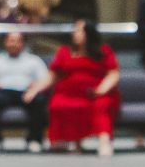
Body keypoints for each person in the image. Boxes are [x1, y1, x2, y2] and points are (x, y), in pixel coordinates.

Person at [47, 17, 121, 155]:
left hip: (95, 92)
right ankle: (71, 141)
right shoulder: (65, 51)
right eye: (75, 30)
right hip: (70, 93)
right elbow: (53, 75)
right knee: (58, 103)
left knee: (101, 105)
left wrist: (101, 90)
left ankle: (104, 142)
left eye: (80, 31)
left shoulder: (103, 51)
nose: (76, 33)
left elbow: (113, 73)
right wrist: (34, 89)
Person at [0, 28, 52, 151]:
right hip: (2, 91)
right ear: (5, 42)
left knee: (39, 101)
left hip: (26, 92)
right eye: (11, 41)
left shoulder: (34, 60)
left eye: (18, 41)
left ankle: (34, 140)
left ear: (23, 43)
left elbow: (45, 81)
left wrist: (35, 88)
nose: (14, 44)